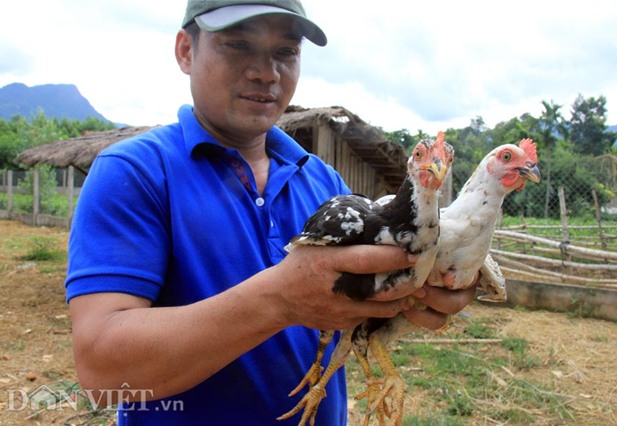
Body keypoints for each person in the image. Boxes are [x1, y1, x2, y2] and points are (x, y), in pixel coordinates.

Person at [66, 1, 477, 424]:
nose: (266, 72)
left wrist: (418, 295)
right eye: (238, 45)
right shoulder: (135, 173)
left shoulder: (325, 184)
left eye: (286, 52)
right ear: (187, 51)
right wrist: (280, 299)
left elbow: (357, 312)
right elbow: (101, 370)